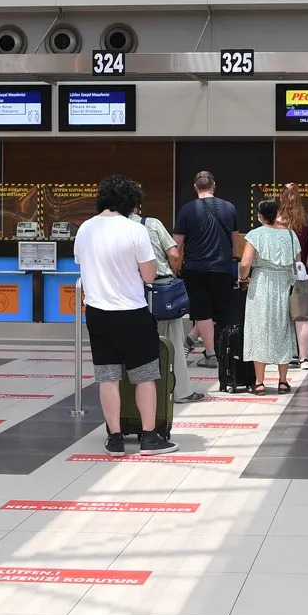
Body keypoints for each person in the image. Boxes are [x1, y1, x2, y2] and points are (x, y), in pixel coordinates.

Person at [74, 175, 177, 457]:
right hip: (132, 312)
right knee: (144, 377)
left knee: (107, 377)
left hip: (97, 313)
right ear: (131, 202)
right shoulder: (134, 230)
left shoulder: (85, 229)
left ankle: (115, 439)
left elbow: (82, 264)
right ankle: (149, 439)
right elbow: (149, 275)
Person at [129, 192, 203, 404]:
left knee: (136, 343)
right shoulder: (151, 224)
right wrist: (173, 271)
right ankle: (181, 392)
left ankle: (137, 392)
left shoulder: (115, 228)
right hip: (161, 289)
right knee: (173, 341)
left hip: (131, 291)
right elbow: (174, 253)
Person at [173, 171, 239, 369]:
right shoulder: (229, 208)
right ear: (214, 185)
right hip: (222, 267)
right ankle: (202, 346)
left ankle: (209, 354)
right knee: (220, 312)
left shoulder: (186, 209)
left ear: (195, 187)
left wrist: (175, 268)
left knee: (202, 312)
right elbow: (235, 240)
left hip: (195, 268)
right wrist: (233, 259)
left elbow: (178, 244)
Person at [238, 199, 302, 395]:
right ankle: (283, 381)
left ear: (260, 215)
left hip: (262, 284)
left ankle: (259, 382)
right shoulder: (291, 236)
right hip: (285, 285)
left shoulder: (255, 235)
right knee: (283, 329)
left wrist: (243, 277)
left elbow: (245, 263)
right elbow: (298, 263)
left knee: (259, 329)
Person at [276, 183, 308, 370]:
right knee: (302, 317)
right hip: (300, 273)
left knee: (279, 315)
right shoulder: (307, 221)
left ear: (281, 199)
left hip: (277, 273)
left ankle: (282, 354)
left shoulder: (276, 221)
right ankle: (304, 359)